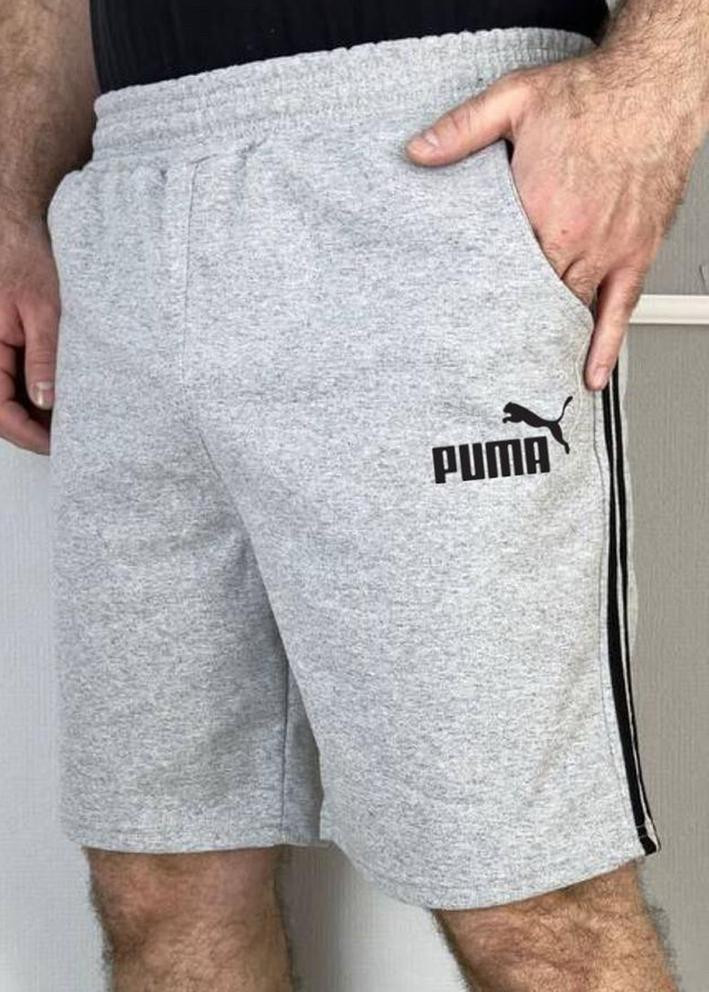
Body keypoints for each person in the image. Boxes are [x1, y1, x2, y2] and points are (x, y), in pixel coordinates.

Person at [0, 0, 706, 989]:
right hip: (126, 197)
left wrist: (653, 89)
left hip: (434, 144)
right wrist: (14, 200)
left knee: (531, 906)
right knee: (160, 877)